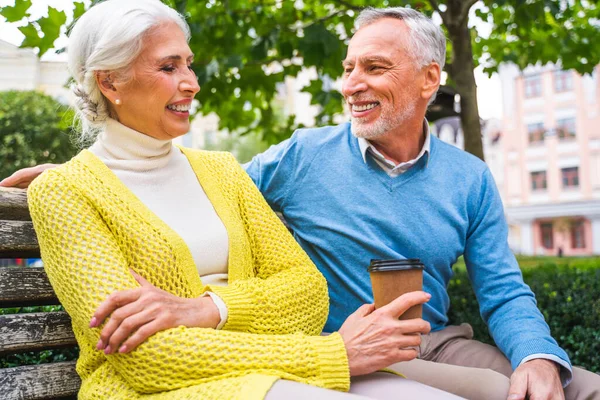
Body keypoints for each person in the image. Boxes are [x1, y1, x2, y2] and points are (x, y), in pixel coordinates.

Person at [5, 4, 599, 400]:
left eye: (375, 67)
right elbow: (138, 192)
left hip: (417, 339)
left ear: (428, 80)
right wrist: (79, 175)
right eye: (348, 68)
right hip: (319, 352)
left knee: (575, 388)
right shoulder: (299, 157)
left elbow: (306, 287)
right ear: (109, 81)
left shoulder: (467, 177)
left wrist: (539, 355)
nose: (351, 84)